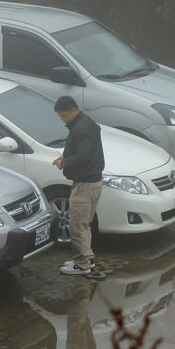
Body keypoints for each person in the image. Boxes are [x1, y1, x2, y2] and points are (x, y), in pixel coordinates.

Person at [51, 95, 104, 276]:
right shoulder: (86, 123)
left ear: (75, 110)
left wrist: (64, 163)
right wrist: (66, 158)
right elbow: (83, 152)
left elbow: (84, 156)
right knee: (84, 224)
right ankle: (86, 258)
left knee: (77, 226)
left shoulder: (81, 129)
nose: (63, 120)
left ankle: (82, 265)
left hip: (84, 185)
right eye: (61, 117)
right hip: (92, 182)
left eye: (65, 116)